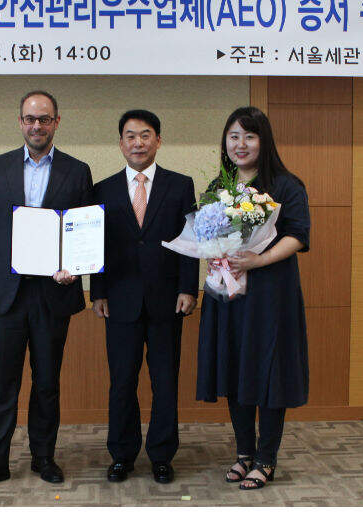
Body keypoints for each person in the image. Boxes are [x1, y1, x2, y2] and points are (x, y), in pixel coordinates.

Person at [0, 90, 93, 493]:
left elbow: (86, 231)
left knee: (48, 381)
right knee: (3, 383)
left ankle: (43, 457)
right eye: (30, 119)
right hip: (5, 295)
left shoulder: (77, 170)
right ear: (20, 122)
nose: (37, 125)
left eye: (45, 119)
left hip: (53, 293)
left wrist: (77, 267)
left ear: (57, 122)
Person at [195, 106, 311, 490]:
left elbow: (297, 235)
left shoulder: (286, 185)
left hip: (270, 296)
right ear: (224, 142)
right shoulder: (217, 187)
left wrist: (259, 259)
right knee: (235, 367)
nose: (240, 144)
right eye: (233, 136)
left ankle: (267, 458)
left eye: (249, 136)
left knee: (269, 371)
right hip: (228, 293)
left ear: (264, 141)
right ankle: (244, 453)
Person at [90, 110, 199, 484]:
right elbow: (96, 246)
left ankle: (162, 455)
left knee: (165, 380)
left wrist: (188, 287)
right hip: (118, 299)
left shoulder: (180, 185)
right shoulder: (101, 189)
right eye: (130, 136)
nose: (138, 142)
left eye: (146, 135)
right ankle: (121, 454)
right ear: (120, 143)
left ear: (158, 141)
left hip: (168, 299)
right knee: (122, 381)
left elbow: (191, 240)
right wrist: (98, 291)